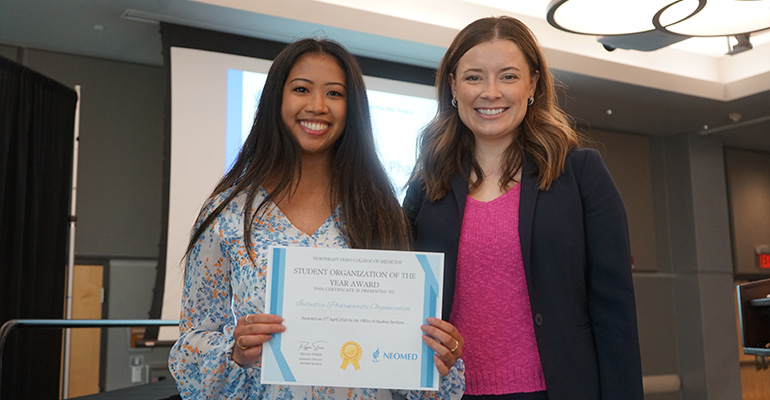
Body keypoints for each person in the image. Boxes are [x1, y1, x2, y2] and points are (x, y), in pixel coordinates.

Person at [168, 38, 465, 399]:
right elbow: (192, 343)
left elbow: (403, 354)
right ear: (277, 98)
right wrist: (234, 350)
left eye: (335, 94)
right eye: (301, 89)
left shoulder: (381, 212)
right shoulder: (229, 212)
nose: (317, 106)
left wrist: (435, 355)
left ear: (351, 108)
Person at [403, 16, 643, 400]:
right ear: (453, 86)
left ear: (532, 83)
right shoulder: (425, 185)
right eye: (474, 77)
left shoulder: (581, 174)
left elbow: (615, 314)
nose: (491, 92)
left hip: (556, 390)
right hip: (449, 391)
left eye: (509, 77)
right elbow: (400, 299)